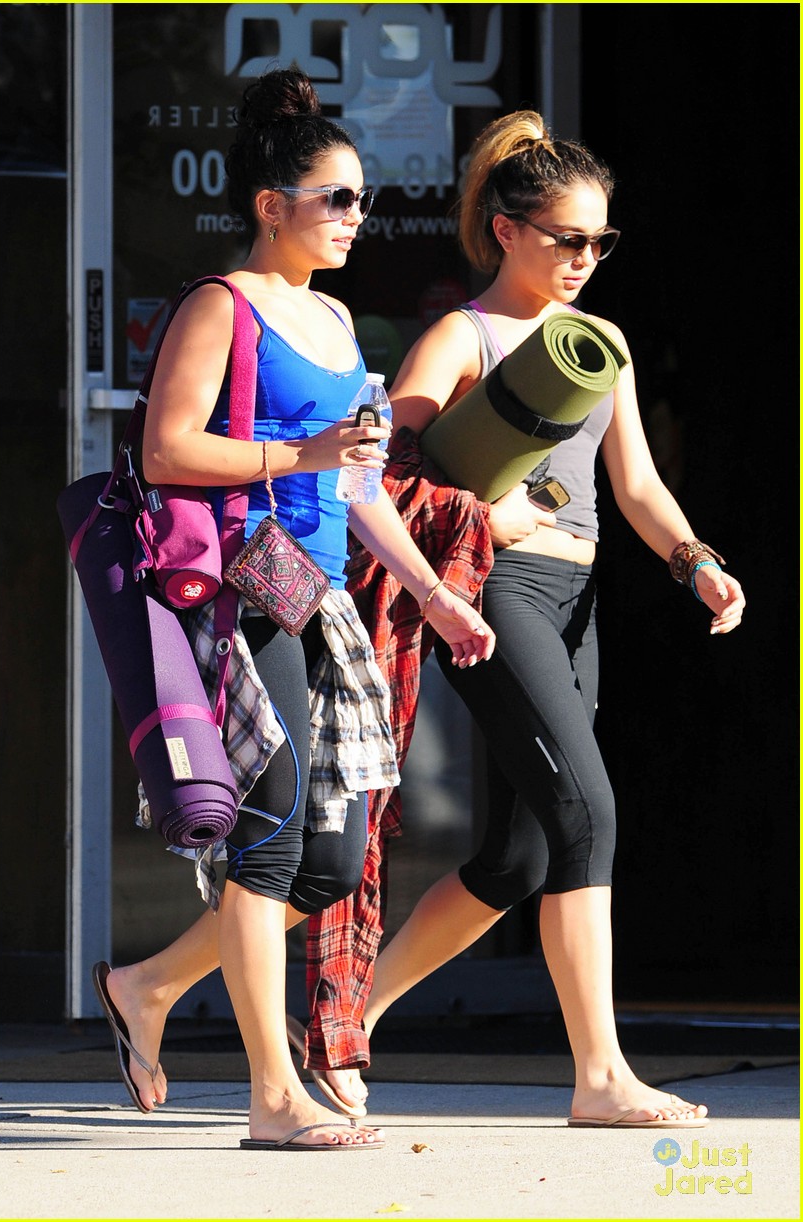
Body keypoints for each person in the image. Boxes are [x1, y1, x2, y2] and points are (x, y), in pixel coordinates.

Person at [301, 107, 746, 1127]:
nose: (584, 259)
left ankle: (336, 1021)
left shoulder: (601, 342)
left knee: (519, 858)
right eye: (565, 239)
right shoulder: (462, 335)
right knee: (587, 814)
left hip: (576, 597)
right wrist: (477, 518)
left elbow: (635, 485)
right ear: (507, 230)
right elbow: (382, 469)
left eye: (600, 241)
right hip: (495, 593)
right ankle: (600, 1076)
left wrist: (696, 562)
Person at [92, 67, 494, 1152]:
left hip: (318, 596)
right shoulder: (220, 305)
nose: (358, 216)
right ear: (273, 206)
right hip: (239, 589)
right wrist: (296, 454)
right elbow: (167, 450)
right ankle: (272, 1094)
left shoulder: (331, 316)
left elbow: (356, 481)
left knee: (329, 859)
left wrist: (432, 594)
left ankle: (148, 983)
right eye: (338, 199)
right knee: (269, 837)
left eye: (363, 198)